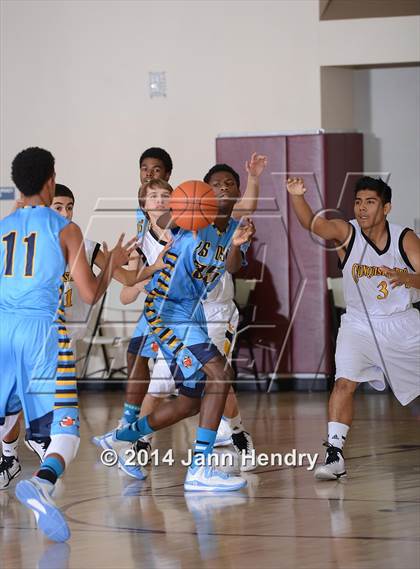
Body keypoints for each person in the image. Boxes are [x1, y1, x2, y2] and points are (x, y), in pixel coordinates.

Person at [95, 148, 267, 475]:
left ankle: (121, 438)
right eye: (216, 187)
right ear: (203, 194)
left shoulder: (233, 229)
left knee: (190, 400)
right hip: (170, 314)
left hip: (196, 315)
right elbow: (160, 215)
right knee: (214, 375)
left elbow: (233, 259)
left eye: (230, 185)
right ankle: (200, 466)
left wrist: (235, 243)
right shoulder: (187, 221)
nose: (223, 191)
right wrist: (160, 201)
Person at [0, 147, 135, 541]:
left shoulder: (2, 225)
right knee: (67, 431)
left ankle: (13, 459)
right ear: (50, 179)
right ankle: (42, 483)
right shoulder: (65, 229)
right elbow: (90, 294)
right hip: (42, 332)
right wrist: (110, 264)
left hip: (3, 327)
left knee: (9, 414)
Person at [286, 175, 420, 480]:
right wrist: (297, 197)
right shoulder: (346, 233)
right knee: (344, 383)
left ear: (386, 207)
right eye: (358, 202)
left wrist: (408, 279)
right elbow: (313, 225)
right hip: (359, 323)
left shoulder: (405, 238)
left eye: (370, 202)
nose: (362, 208)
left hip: (401, 323)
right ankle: (334, 455)